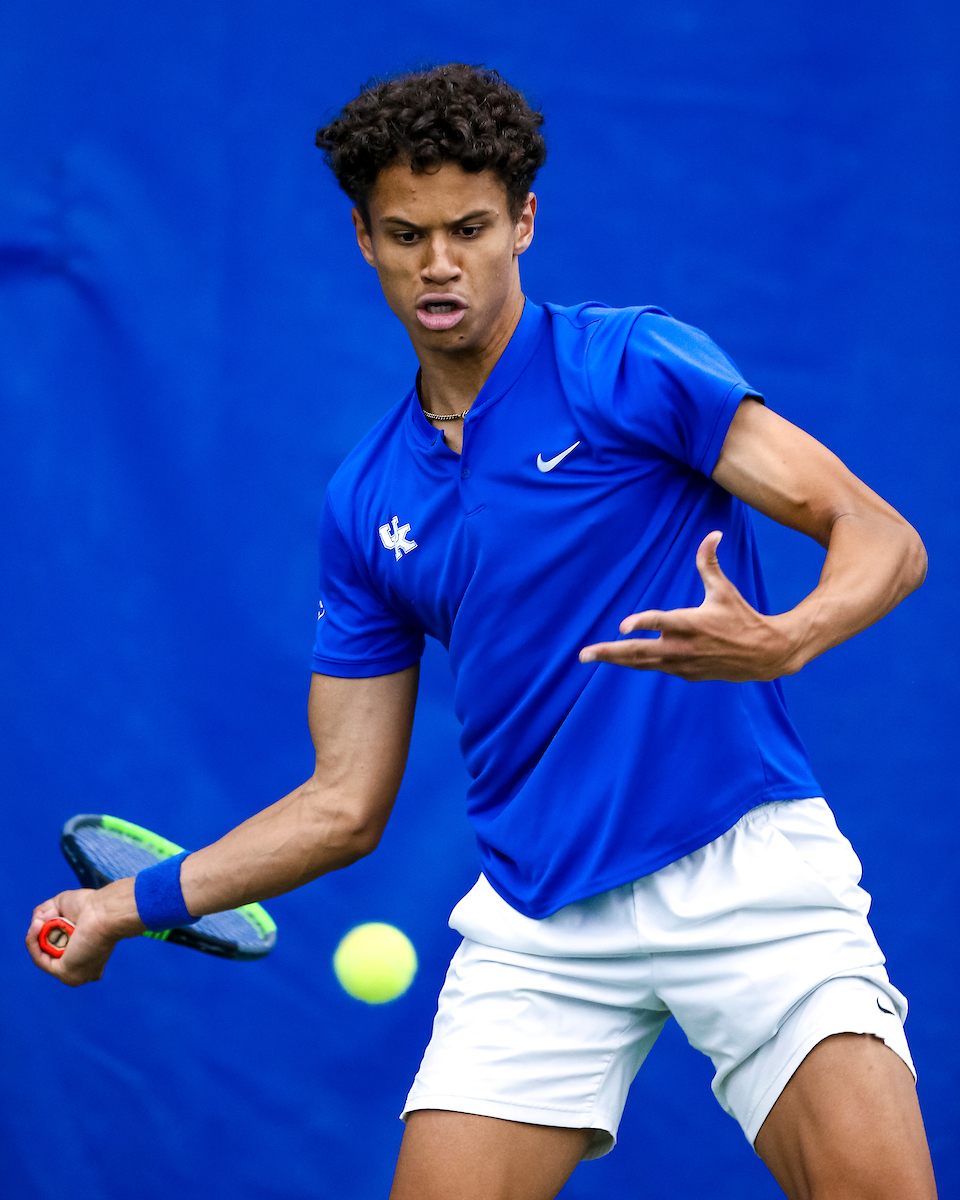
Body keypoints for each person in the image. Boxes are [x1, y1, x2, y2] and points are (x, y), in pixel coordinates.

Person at [27, 64, 936, 1200]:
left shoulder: (628, 365)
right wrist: (122, 906)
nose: (441, 264)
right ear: (363, 238)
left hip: (740, 866)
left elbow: (879, 533)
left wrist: (786, 636)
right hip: (538, 916)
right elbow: (341, 806)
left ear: (524, 223)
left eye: (470, 228)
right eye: (408, 235)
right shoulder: (367, 503)